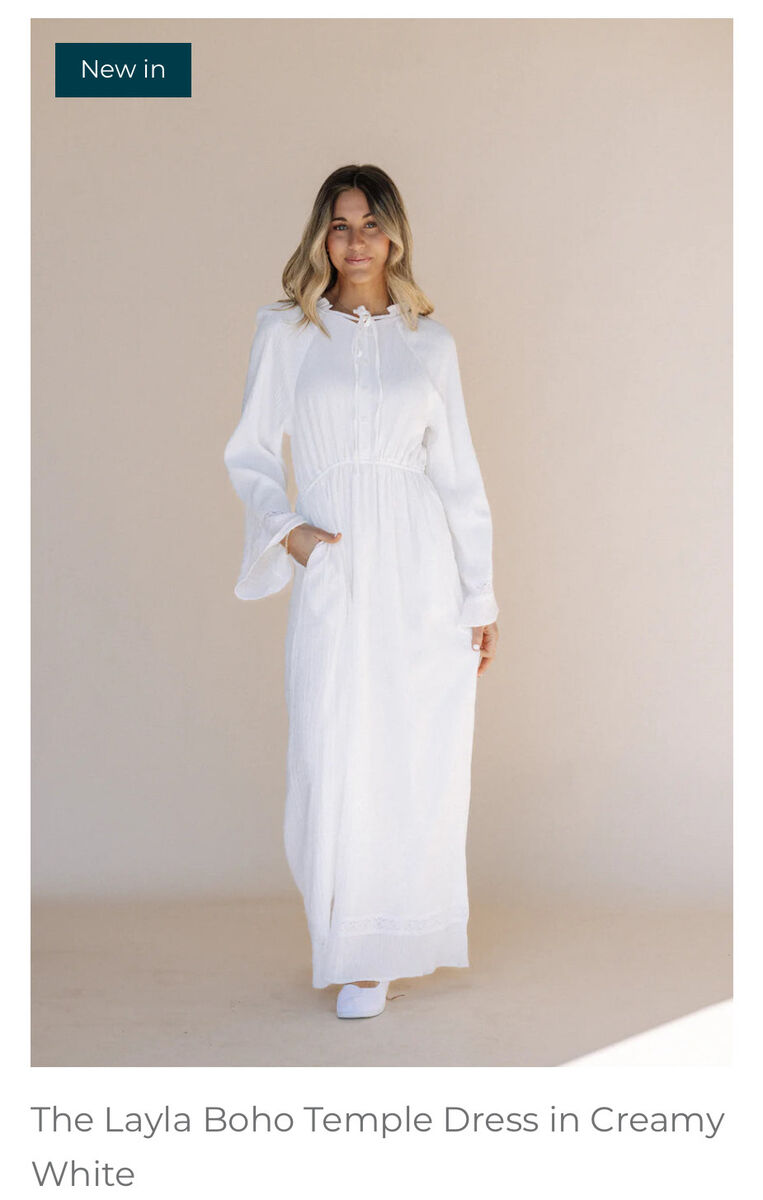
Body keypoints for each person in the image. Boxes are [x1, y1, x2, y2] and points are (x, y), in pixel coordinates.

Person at [223, 164, 499, 1020]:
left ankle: (383, 949)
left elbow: (458, 476)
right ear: (321, 236)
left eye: (370, 224)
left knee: (416, 751)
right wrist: (291, 534)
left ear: (394, 235)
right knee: (335, 747)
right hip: (340, 566)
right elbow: (250, 452)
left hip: (421, 570)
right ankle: (346, 936)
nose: (355, 242)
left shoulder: (430, 343)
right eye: (340, 226)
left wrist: (479, 597)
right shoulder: (288, 333)